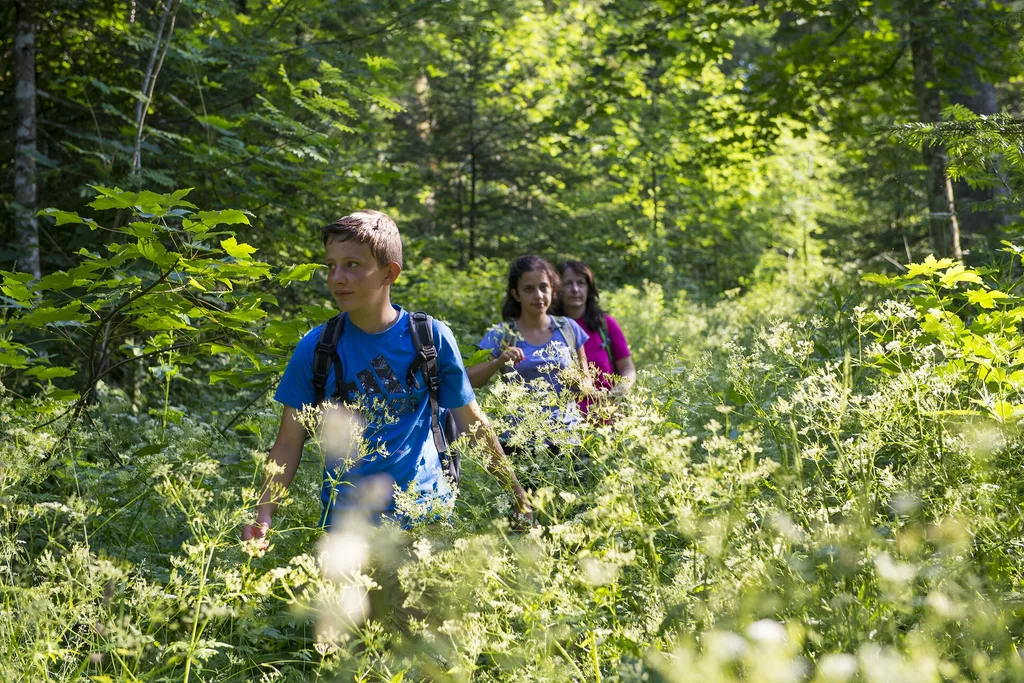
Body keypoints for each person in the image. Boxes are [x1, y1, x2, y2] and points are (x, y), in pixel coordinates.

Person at [241, 210, 530, 541]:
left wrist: (516, 493)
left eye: (352, 265)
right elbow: (288, 444)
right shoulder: (316, 348)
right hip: (346, 532)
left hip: (426, 521)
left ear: (389, 273)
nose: (337, 277)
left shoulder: (431, 339)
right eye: (331, 265)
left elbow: (473, 424)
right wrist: (262, 514)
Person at [467, 255, 590, 443]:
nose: (538, 295)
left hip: (567, 440)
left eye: (543, 287)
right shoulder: (502, 333)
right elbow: (470, 379)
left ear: (552, 289)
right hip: (519, 442)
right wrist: (498, 362)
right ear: (516, 294)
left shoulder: (569, 329)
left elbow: (587, 385)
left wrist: (575, 381)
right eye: (528, 289)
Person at [552, 260, 635, 414]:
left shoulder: (605, 324)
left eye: (581, 283)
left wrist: (618, 393)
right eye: (568, 283)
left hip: (607, 417)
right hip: (562, 423)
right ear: (557, 289)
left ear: (589, 289)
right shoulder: (548, 327)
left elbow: (628, 368)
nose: (575, 289)